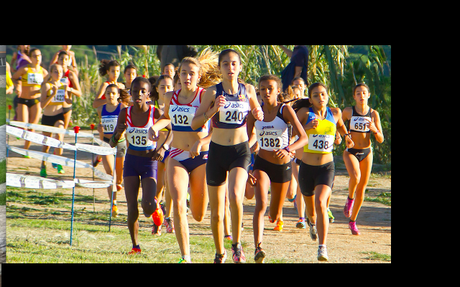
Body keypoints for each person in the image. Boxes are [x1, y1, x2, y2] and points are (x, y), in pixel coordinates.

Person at [191, 49, 264, 263]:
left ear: (240, 67)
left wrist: (258, 114)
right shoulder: (212, 93)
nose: (230, 68)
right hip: (217, 152)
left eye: (234, 64)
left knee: (234, 195)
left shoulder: (248, 90)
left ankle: (236, 244)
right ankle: (219, 251)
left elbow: (257, 112)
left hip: (240, 151)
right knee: (216, 213)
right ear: (220, 68)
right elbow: (195, 123)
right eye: (225, 64)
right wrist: (212, 111)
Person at [149, 48, 220, 262]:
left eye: (191, 73)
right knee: (179, 204)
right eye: (183, 73)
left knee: (198, 215)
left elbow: (217, 130)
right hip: (177, 155)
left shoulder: (206, 96)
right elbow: (166, 118)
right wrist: (155, 127)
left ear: (199, 77)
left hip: (201, 158)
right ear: (178, 75)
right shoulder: (172, 96)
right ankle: (185, 257)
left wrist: (203, 142)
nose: (187, 77)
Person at [247, 75, 308, 263]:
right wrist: (247, 166)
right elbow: (246, 143)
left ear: (278, 90)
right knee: (261, 204)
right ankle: (258, 248)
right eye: (262, 89)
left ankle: (275, 215)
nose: (266, 92)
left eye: (270, 88)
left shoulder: (285, 110)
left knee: (273, 213)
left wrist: (288, 149)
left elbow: (303, 137)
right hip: (262, 164)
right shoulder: (253, 114)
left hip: (282, 167)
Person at [293, 82, 354, 261]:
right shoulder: (304, 114)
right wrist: (306, 128)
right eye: (316, 95)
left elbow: (341, 127)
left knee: (321, 203)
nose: (321, 98)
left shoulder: (335, 113)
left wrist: (345, 137)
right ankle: (312, 222)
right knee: (312, 212)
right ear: (310, 100)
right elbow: (295, 135)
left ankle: (322, 247)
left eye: (323, 94)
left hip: (326, 167)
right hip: (307, 167)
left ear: (327, 96)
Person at [109, 77, 164, 255]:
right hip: (131, 161)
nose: (138, 94)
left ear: (149, 94)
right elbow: (112, 143)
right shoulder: (125, 113)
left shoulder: (155, 112)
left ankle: (156, 208)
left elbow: (171, 128)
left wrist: (163, 148)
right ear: (130, 93)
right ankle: (135, 246)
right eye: (135, 91)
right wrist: (118, 133)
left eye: (142, 91)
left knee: (147, 207)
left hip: (149, 161)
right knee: (132, 206)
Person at [342, 83, 384, 235]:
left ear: (368, 95)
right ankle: (350, 199)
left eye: (364, 92)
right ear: (354, 96)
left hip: (366, 152)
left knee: (362, 188)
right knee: (355, 176)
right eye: (358, 93)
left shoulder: (373, 114)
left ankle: (353, 221)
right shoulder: (348, 112)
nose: (361, 95)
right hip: (351, 151)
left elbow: (380, 139)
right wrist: (346, 136)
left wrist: (374, 130)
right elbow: (338, 126)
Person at [96, 84, 128, 217]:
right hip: (106, 144)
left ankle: (118, 184)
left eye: (113, 93)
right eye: (108, 93)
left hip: (120, 143)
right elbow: (101, 127)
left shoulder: (122, 108)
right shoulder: (100, 109)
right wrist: (100, 132)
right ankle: (113, 204)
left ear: (118, 95)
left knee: (119, 179)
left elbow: (127, 125)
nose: (110, 96)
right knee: (110, 174)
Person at [12, 48, 48, 151]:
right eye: (35, 56)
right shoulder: (25, 69)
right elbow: (14, 78)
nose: (37, 58)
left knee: (32, 127)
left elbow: (47, 85)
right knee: (24, 125)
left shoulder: (44, 72)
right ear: (30, 58)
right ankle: (19, 126)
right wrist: (18, 85)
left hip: (36, 101)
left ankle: (25, 150)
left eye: (39, 56)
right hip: (23, 100)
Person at [39, 64, 67, 177]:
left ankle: (58, 162)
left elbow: (66, 102)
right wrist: (53, 95)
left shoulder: (63, 85)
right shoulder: (46, 86)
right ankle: (43, 165)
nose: (58, 73)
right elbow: (42, 105)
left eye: (60, 71)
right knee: (46, 145)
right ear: (51, 73)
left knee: (59, 136)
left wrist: (69, 96)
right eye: (55, 71)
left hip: (59, 116)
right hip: (47, 117)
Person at [56, 50, 81, 129]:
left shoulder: (71, 74)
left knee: (62, 132)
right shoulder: (53, 73)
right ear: (58, 60)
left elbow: (79, 93)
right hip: (54, 106)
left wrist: (69, 89)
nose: (63, 61)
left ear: (68, 61)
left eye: (66, 59)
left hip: (66, 106)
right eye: (61, 59)